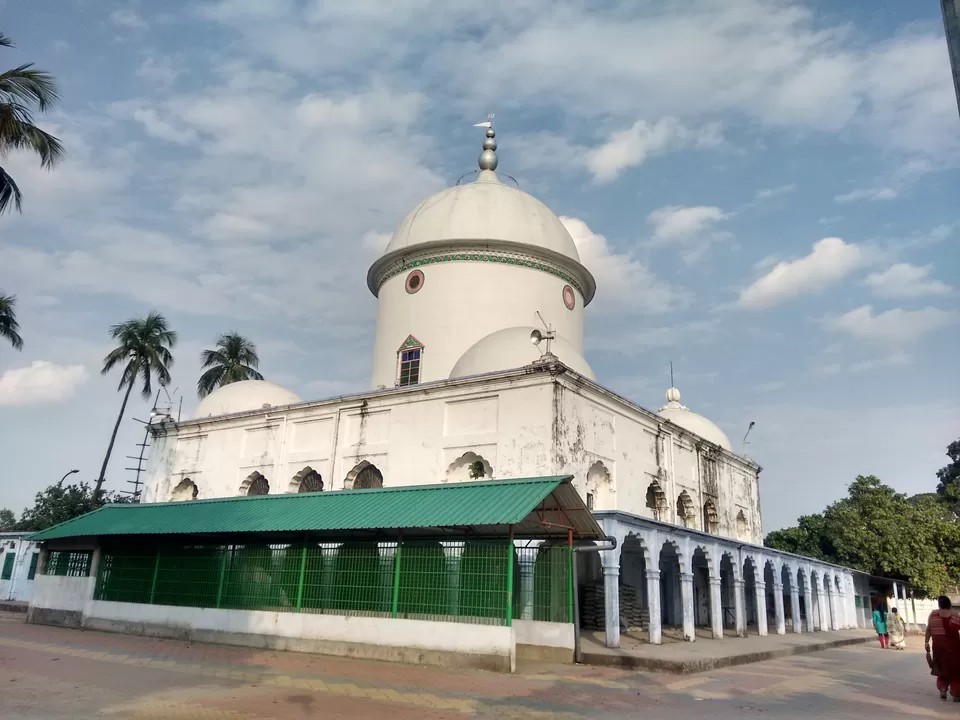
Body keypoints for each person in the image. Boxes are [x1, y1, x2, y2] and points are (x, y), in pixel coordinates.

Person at [925, 596, 960, 701]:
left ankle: (943, 688)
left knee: (941, 669)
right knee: (956, 671)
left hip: (939, 648)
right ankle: (956, 693)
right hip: (954, 649)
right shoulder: (955, 615)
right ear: (949, 604)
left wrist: (926, 642)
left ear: (939, 604)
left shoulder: (933, 615)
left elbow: (928, 629)